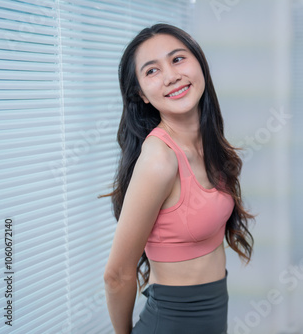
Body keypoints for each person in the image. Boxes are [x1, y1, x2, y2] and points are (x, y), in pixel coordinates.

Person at [103, 23, 254, 334]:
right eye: (152, 71)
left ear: (199, 62)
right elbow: (116, 275)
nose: (171, 76)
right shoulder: (160, 159)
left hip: (212, 317)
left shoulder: (207, 142)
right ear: (141, 94)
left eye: (177, 59)